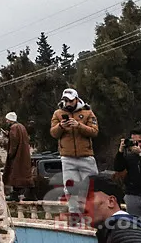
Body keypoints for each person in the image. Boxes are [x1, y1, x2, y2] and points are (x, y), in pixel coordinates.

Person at [50, 88, 99, 217]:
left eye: (70, 101)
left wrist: (79, 125)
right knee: (70, 187)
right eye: (66, 101)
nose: (68, 103)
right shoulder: (58, 114)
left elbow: (94, 131)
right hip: (67, 157)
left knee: (91, 186)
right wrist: (61, 126)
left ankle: (93, 213)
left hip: (86, 156)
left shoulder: (88, 112)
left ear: (76, 99)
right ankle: (74, 214)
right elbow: (53, 133)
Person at [82, 173, 141, 242]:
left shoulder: (121, 229)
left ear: (111, 201)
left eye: (88, 197)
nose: (81, 205)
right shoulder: (121, 227)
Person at [2, 112, 33, 201]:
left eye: (7, 120)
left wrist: (11, 154)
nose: (6, 121)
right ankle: (30, 194)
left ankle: (15, 195)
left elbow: (14, 142)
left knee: (15, 175)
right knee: (24, 174)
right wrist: (8, 135)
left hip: (18, 155)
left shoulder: (14, 128)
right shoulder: (21, 126)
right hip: (23, 154)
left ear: (10, 120)